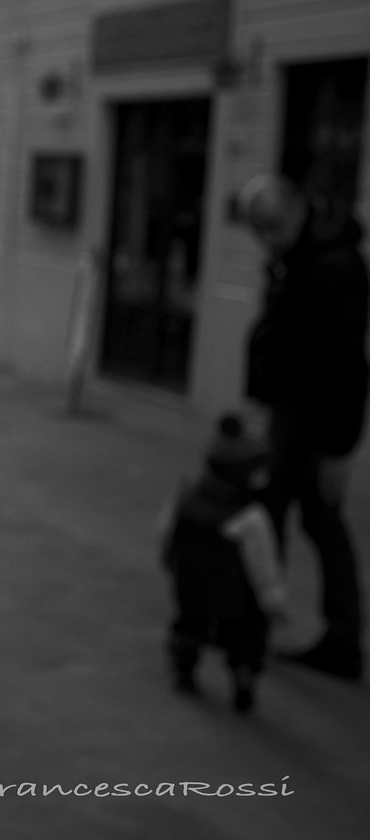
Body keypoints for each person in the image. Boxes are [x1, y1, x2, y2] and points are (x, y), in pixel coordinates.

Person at [239, 174, 368, 680]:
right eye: (258, 231)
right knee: (281, 514)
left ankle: (336, 638)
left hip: (314, 416)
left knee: (315, 517)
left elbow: (347, 364)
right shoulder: (299, 255)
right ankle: (264, 620)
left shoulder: (333, 264)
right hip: (291, 409)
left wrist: (341, 448)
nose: (267, 238)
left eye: (272, 227)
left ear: (296, 211)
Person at [160, 413, 287, 713]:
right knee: (245, 638)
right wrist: (273, 599)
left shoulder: (187, 495)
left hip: (191, 583)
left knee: (188, 625)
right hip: (237, 596)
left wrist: (171, 561)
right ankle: (243, 682)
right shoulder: (251, 517)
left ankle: (184, 669)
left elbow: (166, 531)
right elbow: (263, 564)